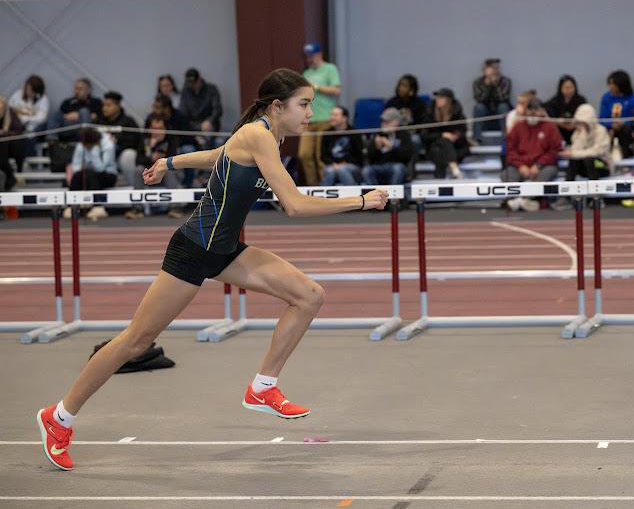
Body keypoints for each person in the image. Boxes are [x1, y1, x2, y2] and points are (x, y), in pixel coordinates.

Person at [36, 68, 389, 472]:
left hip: (224, 250)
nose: (311, 113)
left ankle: (263, 388)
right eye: (304, 104)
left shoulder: (267, 136)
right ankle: (59, 417)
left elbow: (218, 154)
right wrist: (360, 201)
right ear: (277, 106)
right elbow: (294, 204)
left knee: (309, 295)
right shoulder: (259, 135)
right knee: (135, 341)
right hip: (193, 251)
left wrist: (169, 159)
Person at [502, 98, 561, 211]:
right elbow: (510, 150)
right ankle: (523, 200)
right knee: (506, 174)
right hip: (522, 166)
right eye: (530, 109)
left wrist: (538, 166)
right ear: (525, 111)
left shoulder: (550, 127)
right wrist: (520, 166)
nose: (533, 112)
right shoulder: (518, 127)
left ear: (542, 111)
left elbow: (554, 151)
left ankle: (523, 200)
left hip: (543, 166)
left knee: (548, 173)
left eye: (536, 109)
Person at [299, 41, 342, 185]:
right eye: (307, 56)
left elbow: (337, 90)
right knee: (304, 154)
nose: (309, 59)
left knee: (320, 156)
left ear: (320, 54)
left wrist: (315, 87)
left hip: (325, 118)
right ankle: (313, 187)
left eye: (312, 56)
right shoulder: (306, 73)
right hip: (308, 120)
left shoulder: (330, 69)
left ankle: (325, 186)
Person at [124, 115, 183, 219]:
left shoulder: (171, 139)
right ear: (150, 129)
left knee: (169, 171)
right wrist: (151, 155)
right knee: (138, 170)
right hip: (150, 172)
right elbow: (139, 160)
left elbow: (173, 159)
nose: (157, 132)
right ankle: (137, 208)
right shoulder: (145, 139)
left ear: (165, 129)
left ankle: (176, 207)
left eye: (160, 129)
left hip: (167, 173)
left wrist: (159, 152)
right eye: (155, 129)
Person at [64, 127, 118, 221]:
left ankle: (97, 206)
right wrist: (82, 168)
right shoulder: (81, 145)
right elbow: (75, 166)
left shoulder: (108, 146)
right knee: (77, 176)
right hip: (87, 175)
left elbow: (101, 168)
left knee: (91, 174)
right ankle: (72, 205)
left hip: (108, 175)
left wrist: (95, 152)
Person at [421, 88, 469, 179]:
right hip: (433, 146)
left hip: (456, 148)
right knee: (441, 143)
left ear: (449, 100)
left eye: (441, 97)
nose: (437, 99)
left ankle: (439, 177)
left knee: (441, 147)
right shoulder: (430, 114)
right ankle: (454, 168)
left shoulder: (457, 114)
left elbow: (462, 132)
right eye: (437, 97)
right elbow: (424, 136)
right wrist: (442, 135)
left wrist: (454, 136)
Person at [558, 103, 612, 182]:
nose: (580, 123)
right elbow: (575, 151)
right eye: (578, 121)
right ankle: (567, 189)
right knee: (574, 161)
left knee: (589, 160)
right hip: (585, 168)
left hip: (601, 165)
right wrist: (583, 134)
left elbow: (597, 151)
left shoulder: (601, 130)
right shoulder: (577, 133)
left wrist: (575, 154)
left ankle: (595, 190)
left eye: (583, 121)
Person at [97, 91, 140, 188]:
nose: (104, 108)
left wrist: (117, 140)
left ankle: (134, 188)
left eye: (108, 105)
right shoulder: (98, 121)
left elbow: (136, 141)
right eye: (104, 105)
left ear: (117, 106)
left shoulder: (128, 121)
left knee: (129, 155)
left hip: (120, 155)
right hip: (103, 157)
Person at [363, 107, 414, 185]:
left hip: (397, 165)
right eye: (383, 121)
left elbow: (406, 156)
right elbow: (369, 157)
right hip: (379, 165)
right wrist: (377, 148)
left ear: (396, 122)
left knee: (398, 169)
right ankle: (375, 195)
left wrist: (390, 147)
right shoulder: (379, 134)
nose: (384, 123)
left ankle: (393, 195)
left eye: (387, 121)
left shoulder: (404, 135)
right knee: (367, 170)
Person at [46, 78, 103, 142]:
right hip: (67, 127)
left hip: (83, 127)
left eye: (80, 89)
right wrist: (67, 116)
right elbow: (60, 116)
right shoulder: (68, 102)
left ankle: (85, 140)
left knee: (84, 111)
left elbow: (98, 116)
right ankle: (52, 141)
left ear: (88, 90)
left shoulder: (95, 102)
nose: (77, 91)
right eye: (76, 88)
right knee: (55, 113)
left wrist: (80, 115)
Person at [179, 68, 223, 150]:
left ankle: (207, 159)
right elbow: (183, 111)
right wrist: (189, 123)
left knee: (207, 136)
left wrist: (209, 121)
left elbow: (217, 110)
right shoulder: (186, 91)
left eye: (194, 83)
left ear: (199, 80)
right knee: (186, 145)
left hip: (209, 124)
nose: (192, 86)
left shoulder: (211, 89)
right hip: (192, 126)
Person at [8, 74, 50, 158]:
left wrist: (24, 116)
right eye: (27, 89)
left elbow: (41, 118)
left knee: (30, 131)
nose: (28, 92)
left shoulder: (43, 99)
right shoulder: (18, 94)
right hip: (17, 124)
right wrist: (27, 115)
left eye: (31, 90)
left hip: (35, 126)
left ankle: (28, 159)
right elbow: (10, 108)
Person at [599, 70, 634, 159]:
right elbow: (602, 117)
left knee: (625, 132)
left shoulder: (633, 97)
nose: (610, 87)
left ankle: (626, 157)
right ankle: (605, 157)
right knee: (604, 131)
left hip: (626, 127)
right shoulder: (606, 97)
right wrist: (611, 125)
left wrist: (622, 123)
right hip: (609, 127)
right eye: (609, 84)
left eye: (613, 84)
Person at [320, 106, 363, 186]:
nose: (332, 117)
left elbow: (359, 155)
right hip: (332, 165)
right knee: (330, 171)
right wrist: (333, 164)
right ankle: (324, 197)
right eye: (331, 115)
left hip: (351, 165)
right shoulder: (327, 133)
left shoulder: (354, 132)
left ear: (344, 118)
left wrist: (344, 163)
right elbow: (323, 155)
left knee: (341, 170)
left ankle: (353, 194)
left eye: (335, 115)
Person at [471, 58, 512, 143]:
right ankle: (476, 138)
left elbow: (503, 99)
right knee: (479, 107)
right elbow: (480, 99)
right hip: (486, 118)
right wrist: (487, 85)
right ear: (485, 70)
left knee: (503, 106)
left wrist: (496, 84)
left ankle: (506, 138)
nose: (496, 70)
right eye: (493, 68)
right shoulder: (478, 82)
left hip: (500, 116)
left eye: (497, 67)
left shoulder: (505, 81)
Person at [545, 75, 587, 143]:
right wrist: (559, 122)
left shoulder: (581, 101)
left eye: (571, 87)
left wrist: (574, 124)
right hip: (559, 131)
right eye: (566, 88)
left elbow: (585, 116)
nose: (569, 90)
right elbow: (550, 117)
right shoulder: (553, 102)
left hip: (576, 129)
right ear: (561, 88)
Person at [0, 96, 25, 191]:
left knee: (6, 140)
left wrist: (5, 133)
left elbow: (19, 131)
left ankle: (16, 172)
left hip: (9, 147)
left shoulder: (11, 115)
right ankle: (11, 178)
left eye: (1, 108)